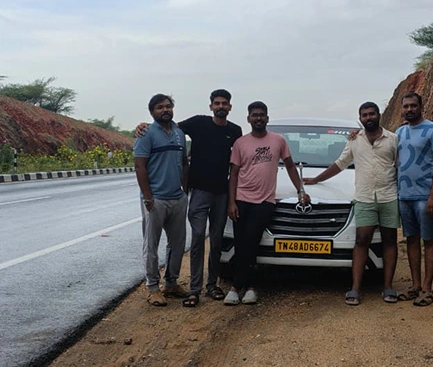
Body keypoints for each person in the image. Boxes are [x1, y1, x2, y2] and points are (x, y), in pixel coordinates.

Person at [136, 89, 242, 307]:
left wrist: (183, 192)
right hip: (192, 193)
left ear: (230, 107)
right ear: (211, 106)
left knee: (212, 240)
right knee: (195, 239)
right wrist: (142, 125)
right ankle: (188, 288)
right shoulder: (196, 123)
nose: (221, 106)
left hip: (215, 193)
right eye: (217, 103)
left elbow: (186, 162)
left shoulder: (234, 131)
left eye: (224, 103)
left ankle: (206, 284)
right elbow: (142, 162)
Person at [304, 102, 400, 306]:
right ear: (360, 118)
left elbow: (399, 166)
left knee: (390, 239)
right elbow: (341, 163)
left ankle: (388, 286)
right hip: (364, 197)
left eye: (371, 114)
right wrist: (316, 179)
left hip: (389, 196)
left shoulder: (393, 139)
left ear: (379, 115)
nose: (368, 118)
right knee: (361, 240)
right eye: (364, 115)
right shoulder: (355, 140)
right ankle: (355, 288)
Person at [225, 101, 310, 305]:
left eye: (262, 115)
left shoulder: (278, 140)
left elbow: (290, 167)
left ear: (267, 118)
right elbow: (233, 174)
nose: (258, 118)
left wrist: (301, 190)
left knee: (251, 240)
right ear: (248, 119)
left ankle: (237, 286)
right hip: (241, 199)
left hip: (264, 201)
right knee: (241, 243)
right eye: (254, 115)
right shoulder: (240, 143)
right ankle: (247, 287)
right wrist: (231, 202)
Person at [133, 94, 189, 307]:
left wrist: (185, 192)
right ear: (152, 112)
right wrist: (148, 197)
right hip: (155, 199)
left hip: (177, 198)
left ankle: (171, 283)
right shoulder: (146, 134)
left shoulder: (179, 133)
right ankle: (153, 288)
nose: (165, 110)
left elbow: (184, 163)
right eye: (160, 107)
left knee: (177, 244)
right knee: (151, 245)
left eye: (168, 106)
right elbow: (140, 166)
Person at [395, 92, 433, 307]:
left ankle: (427, 288)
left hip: (425, 196)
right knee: (411, 239)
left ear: (421, 106)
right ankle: (415, 285)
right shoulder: (399, 132)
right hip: (404, 195)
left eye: (413, 105)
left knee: (429, 239)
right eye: (406, 106)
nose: (409, 109)